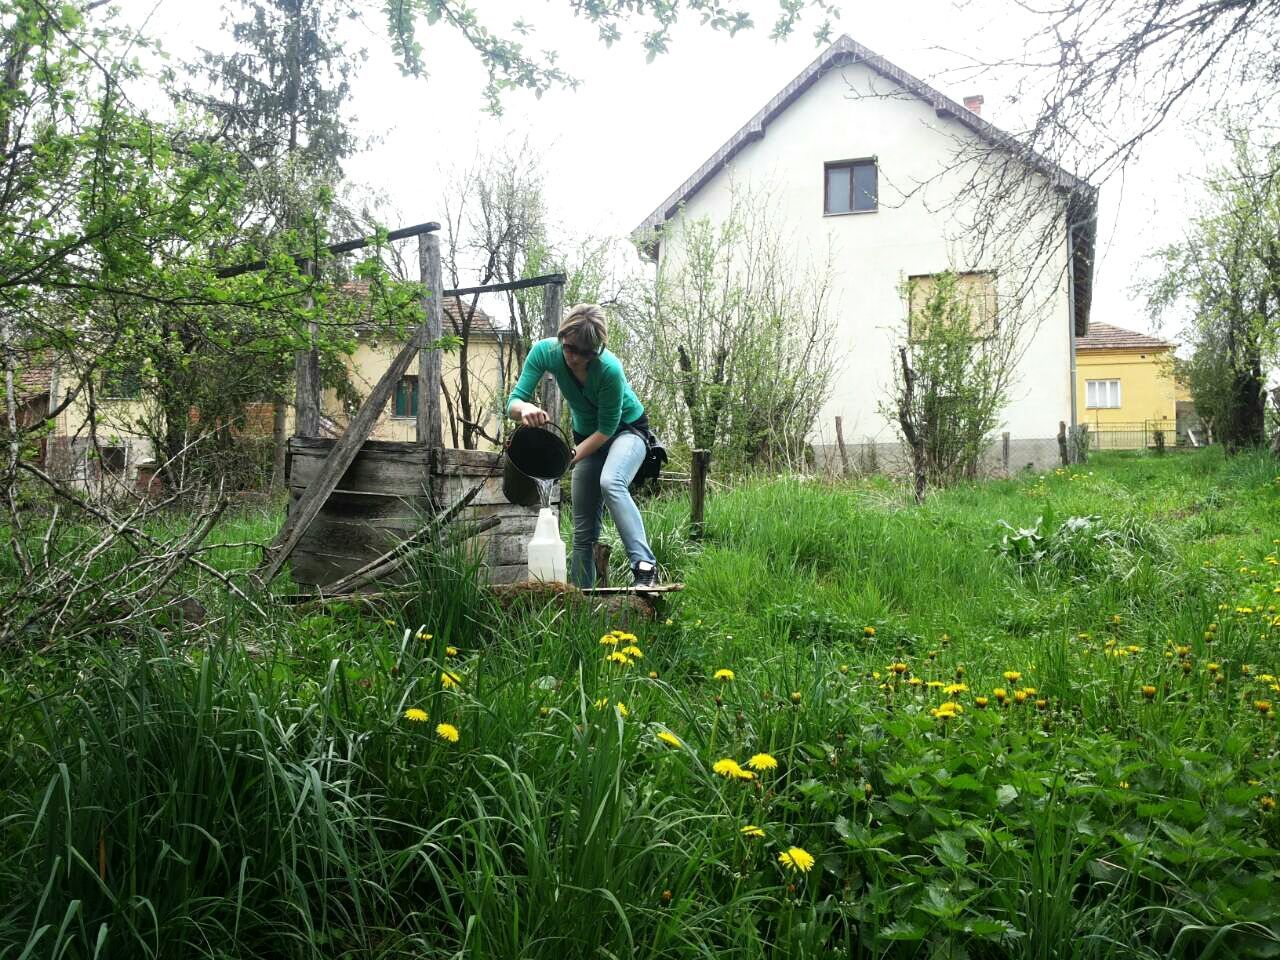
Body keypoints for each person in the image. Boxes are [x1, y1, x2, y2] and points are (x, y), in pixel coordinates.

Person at [506, 303, 658, 588]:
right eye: (569, 348)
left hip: (627, 431)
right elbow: (512, 403)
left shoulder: (610, 370)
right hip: (586, 437)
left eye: (584, 353)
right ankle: (580, 596)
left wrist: (570, 456)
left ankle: (645, 566)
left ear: (597, 349)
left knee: (611, 481)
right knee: (583, 528)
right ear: (562, 337)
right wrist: (524, 407)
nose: (574, 358)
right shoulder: (545, 352)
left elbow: (607, 428)